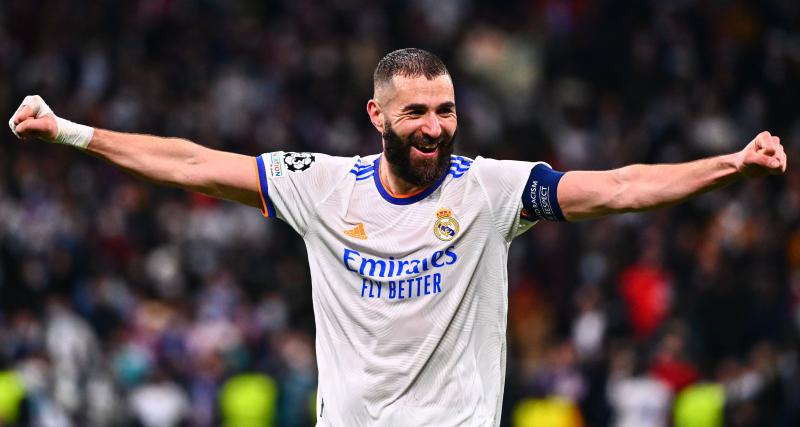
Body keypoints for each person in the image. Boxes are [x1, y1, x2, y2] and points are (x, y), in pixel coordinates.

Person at [8, 48, 787, 426]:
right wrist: (71, 132)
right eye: (416, 112)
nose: (435, 127)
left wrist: (731, 165)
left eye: (445, 111)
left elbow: (617, 188)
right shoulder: (322, 185)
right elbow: (190, 162)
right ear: (376, 115)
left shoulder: (492, 189)